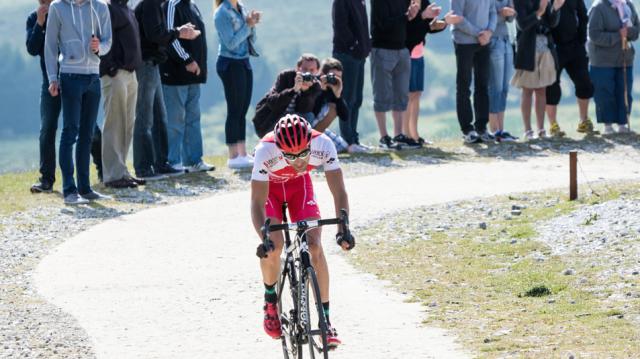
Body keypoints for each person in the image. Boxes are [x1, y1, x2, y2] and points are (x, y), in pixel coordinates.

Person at [250, 114, 355, 346]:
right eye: (290, 156)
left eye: (303, 154)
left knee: (315, 245)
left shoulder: (323, 144)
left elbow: (339, 192)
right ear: (279, 149)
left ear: (310, 144)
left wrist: (342, 230)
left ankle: (325, 322)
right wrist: (264, 237)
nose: (298, 161)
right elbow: (257, 203)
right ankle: (270, 303)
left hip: (300, 187)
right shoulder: (264, 150)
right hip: (271, 191)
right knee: (274, 247)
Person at [27, 0, 103, 193]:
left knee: (89, 128)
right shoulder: (34, 18)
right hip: (51, 82)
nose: (46, 3)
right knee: (48, 128)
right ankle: (46, 180)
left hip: (76, 79)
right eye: (42, 1)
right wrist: (40, 22)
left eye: (48, 0)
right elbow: (33, 49)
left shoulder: (67, 12)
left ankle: (103, 169)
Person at [44, 0, 112, 205]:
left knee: (87, 135)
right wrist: (52, 78)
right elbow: (50, 45)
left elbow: (108, 41)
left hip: (94, 77)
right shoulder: (57, 7)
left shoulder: (101, 7)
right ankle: (69, 190)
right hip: (70, 75)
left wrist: (100, 46)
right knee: (70, 132)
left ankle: (85, 189)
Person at [133, 0, 200, 180]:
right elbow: (154, 33)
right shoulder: (150, 3)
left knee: (160, 118)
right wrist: (179, 32)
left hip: (153, 66)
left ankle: (161, 165)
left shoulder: (155, 4)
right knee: (144, 119)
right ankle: (143, 168)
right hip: (146, 65)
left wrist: (178, 30)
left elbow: (158, 32)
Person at [161, 0, 215, 173]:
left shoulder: (192, 5)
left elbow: (200, 37)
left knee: (193, 118)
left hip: (194, 73)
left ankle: (193, 160)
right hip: (176, 73)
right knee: (175, 119)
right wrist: (187, 59)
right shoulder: (171, 5)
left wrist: (201, 63)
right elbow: (169, 37)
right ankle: (172, 161)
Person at [100, 0, 144, 189]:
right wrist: (110, 68)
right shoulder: (107, 7)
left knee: (127, 125)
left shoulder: (126, 7)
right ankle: (112, 175)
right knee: (114, 123)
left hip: (131, 74)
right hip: (116, 74)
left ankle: (122, 171)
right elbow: (102, 38)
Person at [404, 1, 460, 145]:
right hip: (406, 53)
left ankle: (415, 135)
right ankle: (406, 135)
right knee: (409, 95)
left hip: (419, 52)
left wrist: (444, 22)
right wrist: (424, 19)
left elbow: (429, 27)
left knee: (416, 94)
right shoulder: (404, 3)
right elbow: (409, 28)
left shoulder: (423, 2)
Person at [214, 0, 262, 169]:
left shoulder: (241, 8)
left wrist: (252, 24)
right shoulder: (221, 13)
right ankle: (233, 156)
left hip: (244, 61)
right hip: (230, 63)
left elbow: (251, 38)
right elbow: (231, 43)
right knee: (234, 110)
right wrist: (247, 26)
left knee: (242, 110)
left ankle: (242, 154)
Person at [370, 0, 421, 150]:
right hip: (382, 49)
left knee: (401, 95)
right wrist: (407, 16)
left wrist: (419, 16)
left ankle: (398, 136)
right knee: (382, 94)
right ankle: (384, 138)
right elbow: (384, 23)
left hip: (402, 49)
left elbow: (409, 22)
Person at [512, 0, 564, 140]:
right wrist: (539, 12)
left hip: (545, 50)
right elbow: (522, 24)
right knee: (527, 90)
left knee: (542, 90)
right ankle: (528, 130)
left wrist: (555, 9)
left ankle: (541, 129)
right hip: (528, 51)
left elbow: (552, 24)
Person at [547, 0, 598, 135]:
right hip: (553, 46)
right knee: (551, 86)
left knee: (585, 82)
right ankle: (553, 126)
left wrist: (582, 40)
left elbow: (582, 15)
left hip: (575, 44)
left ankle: (583, 122)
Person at [588, 0, 639, 135]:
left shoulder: (628, 5)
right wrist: (617, 35)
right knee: (605, 92)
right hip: (602, 60)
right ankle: (608, 126)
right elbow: (593, 35)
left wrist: (629, 31)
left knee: (624, 91)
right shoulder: (599, 7)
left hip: (625, 57)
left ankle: (622, 125)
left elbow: (637, 30)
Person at [451, 0, 498, 144]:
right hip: (464, 42)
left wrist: (489, 32)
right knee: (464, 85)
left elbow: (493, 12)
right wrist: (479, 33)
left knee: (482, 85)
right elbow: (457, 17)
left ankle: (481, 128)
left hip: (484, 42)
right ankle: (467, 130)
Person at [332, 0, 372, 153]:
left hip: (358, 56)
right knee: (347, 100)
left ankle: (354, 140)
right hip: (347, 54)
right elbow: (340, 25)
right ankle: (348, 142)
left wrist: (364, 47)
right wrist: (354, 44)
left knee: (356, 99)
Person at [252, 54, 322, 138]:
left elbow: (304, 111)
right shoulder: (286, 76)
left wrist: (305, 91)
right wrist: (294, 89)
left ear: (318, 71)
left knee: (309, 116)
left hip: (292, 123)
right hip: (269, 122)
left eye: (312, 70)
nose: (307, 73)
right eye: (305, 69)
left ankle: (297, 146)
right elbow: (273, 103)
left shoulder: (315, 85)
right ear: (298, 67)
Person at [488, 0, 519, 141]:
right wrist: (507, 12)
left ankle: (501, 129)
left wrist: (511, 12)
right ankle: (493, 130)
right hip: (493, 41)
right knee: (496, 88)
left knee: (505, 88)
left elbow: (511, 16)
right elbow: (494, 14)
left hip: (507, 40)